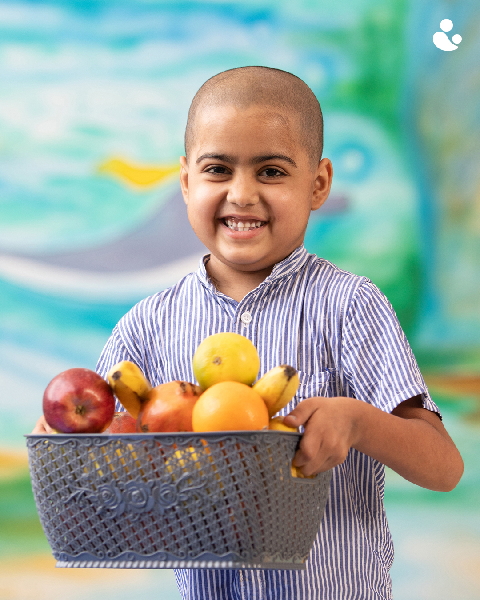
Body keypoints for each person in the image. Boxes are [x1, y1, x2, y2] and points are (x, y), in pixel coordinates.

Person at [32, 66, 464, 599]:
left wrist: (358, 422)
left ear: (318, 184)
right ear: (185, 181)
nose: (242, 194)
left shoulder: (350, 307)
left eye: (272, 171)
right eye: (218, 169)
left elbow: (444, 468)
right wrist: (63, 445)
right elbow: (98, 473)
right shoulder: (148, 326)